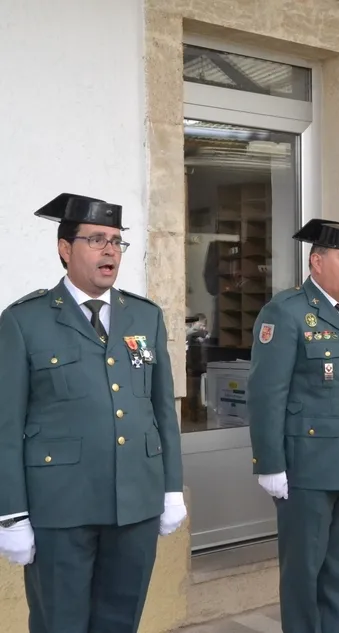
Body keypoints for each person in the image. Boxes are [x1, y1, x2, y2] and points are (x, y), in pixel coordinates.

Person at [0, 192, 186, 632]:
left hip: (135, 507)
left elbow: (163, 411)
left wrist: (171, 488)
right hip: (60, 511)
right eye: (97, 239)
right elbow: (5, 425)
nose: (110, 250)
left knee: (121, 622)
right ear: (65, 249)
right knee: (59, 623)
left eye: (117, 242)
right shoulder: (25, 321)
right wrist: (11, 513)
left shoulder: (144, 317)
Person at [247, 219, 339, 633]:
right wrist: (269, 463)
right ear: (316, 262)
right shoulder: (286, 312)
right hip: (307, 469)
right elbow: (268, 393)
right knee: (304, 573)